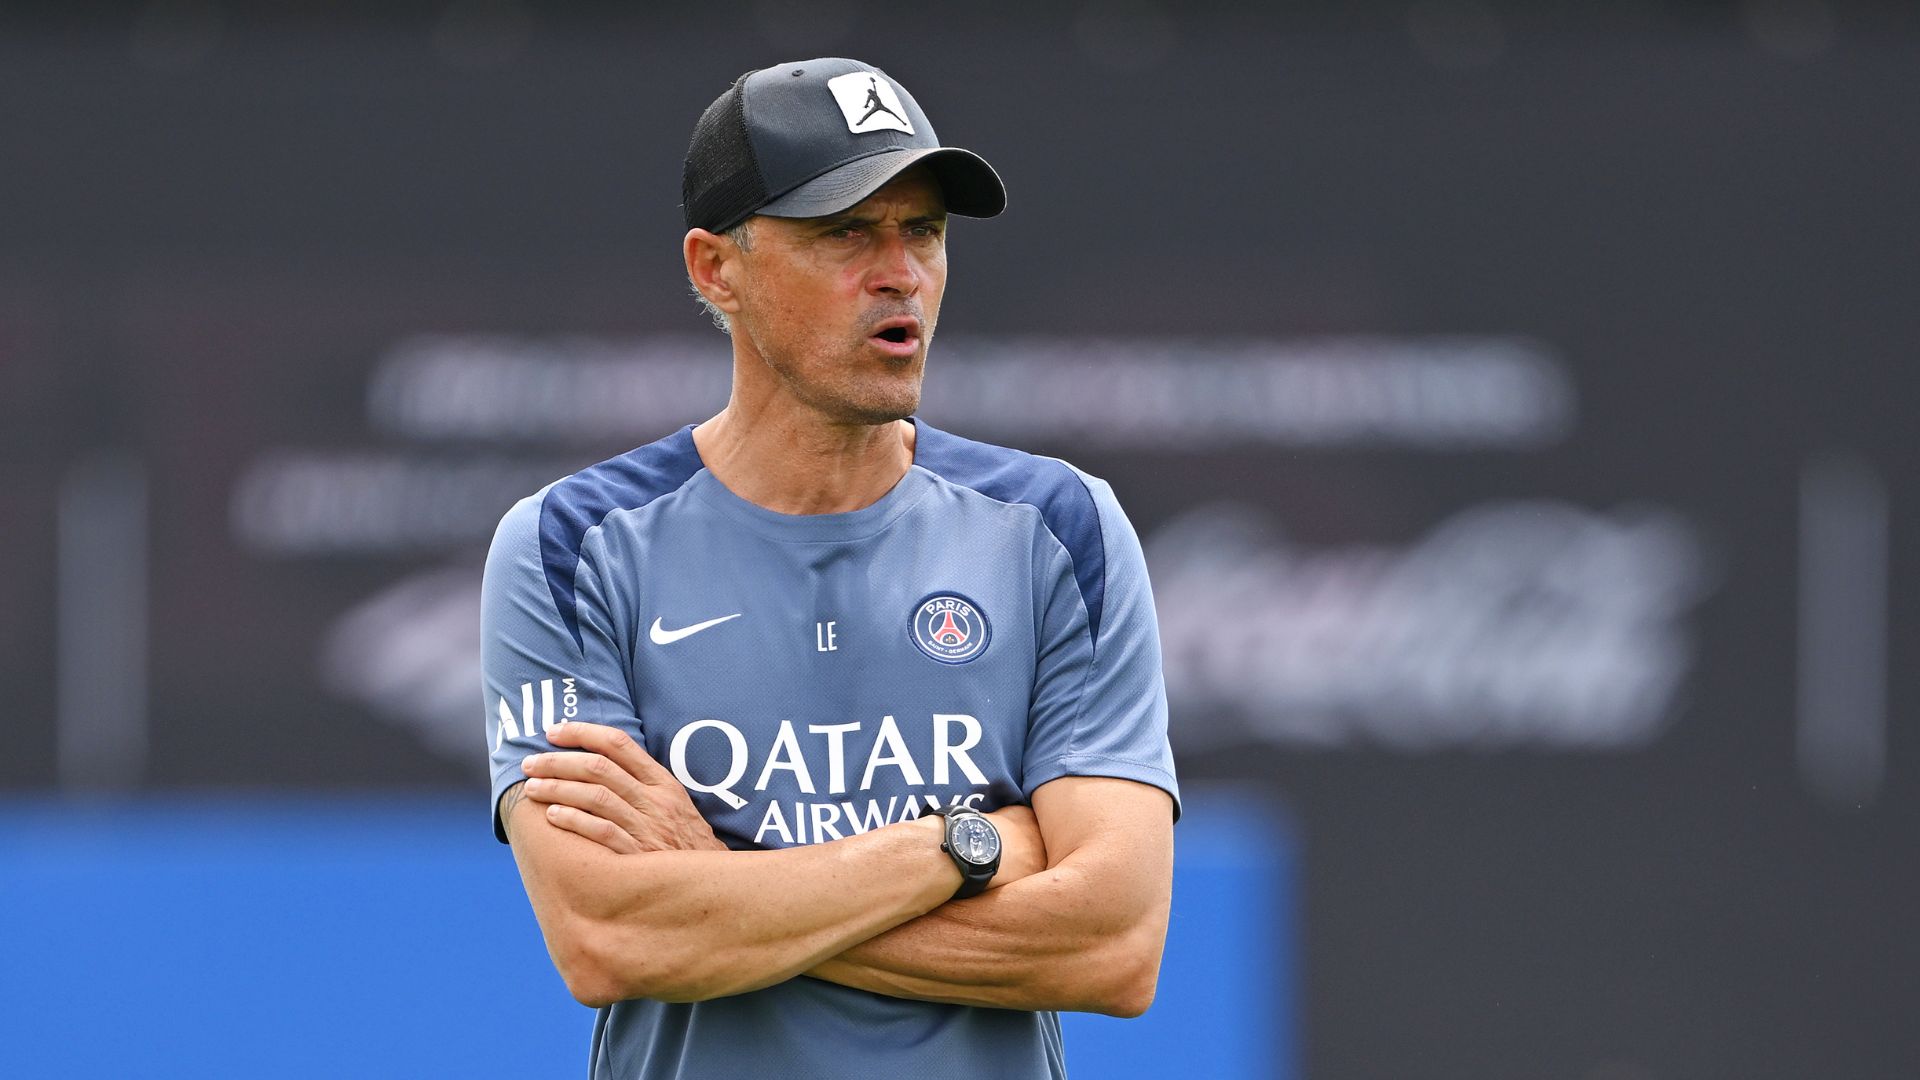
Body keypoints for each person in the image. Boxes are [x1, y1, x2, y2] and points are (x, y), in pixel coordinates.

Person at [481, 57, 1178, 1080]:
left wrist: (719, 891)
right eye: (846, 231)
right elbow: (610, 941)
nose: (900, 273)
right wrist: (966, 848)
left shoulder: (1059, 526)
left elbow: (1115, 947)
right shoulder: (569, 543)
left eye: (924, 232)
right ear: (716, 268)